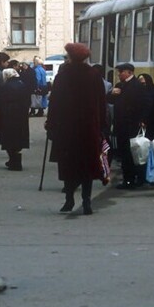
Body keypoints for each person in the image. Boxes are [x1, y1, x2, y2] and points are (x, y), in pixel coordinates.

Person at [46, 42, 106, 215]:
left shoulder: (63, 75)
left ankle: (69, 200)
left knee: (68, 165)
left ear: (71, 57)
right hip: (88, 128)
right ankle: (86, 202)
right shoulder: (94, 75)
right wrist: (102, 125)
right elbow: (101, 102)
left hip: (67, 128)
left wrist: (51, 124)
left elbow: (55, 102)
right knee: (87, 166)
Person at [107, 62, 142, 189]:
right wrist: (111, 94)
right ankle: (128, 178)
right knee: (124, 152)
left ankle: (130, 179)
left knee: (130, 153)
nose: (119, 74)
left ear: (129, 72)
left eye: (121, 72)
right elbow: (109, 100)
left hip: (131, 124)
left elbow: (141, 104)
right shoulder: (120, 85)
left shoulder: (136, 85)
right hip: (120, 124)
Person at [0, 67, 31, 171]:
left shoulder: (6, 86)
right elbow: (28, 100)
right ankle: (15, 161)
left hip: (8, 115)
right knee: (18, 139)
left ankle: (13, 161)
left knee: (9, 139)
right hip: (21, 115)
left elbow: (0, 99)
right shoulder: (22, 85)